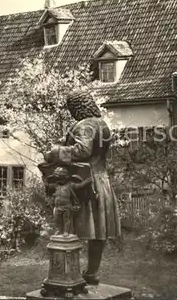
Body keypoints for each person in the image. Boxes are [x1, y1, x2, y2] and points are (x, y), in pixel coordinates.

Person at [44, 90, 121, 285]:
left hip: (84, 181)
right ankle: (92, 272)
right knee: (98, 229)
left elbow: (83, 150)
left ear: (77, 107)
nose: (71, 114)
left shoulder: (85, 124)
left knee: (70, 227)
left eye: (71, 109)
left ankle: (69, 274)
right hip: (102, 179)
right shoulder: (102, 124)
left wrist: (56, 151)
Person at [47, 166, 92, 236]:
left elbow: (79, 186)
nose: (59, 180)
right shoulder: (56, 185)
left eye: (60, 178)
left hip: (67, 207)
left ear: (65, 178)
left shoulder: (70, 185)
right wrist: (45, 181)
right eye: (57, 178)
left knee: (66, 220)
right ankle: (59, 230)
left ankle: (66, 231)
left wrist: (86, 182)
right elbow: (48, 186)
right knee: (57, 219)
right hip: (57, 207)